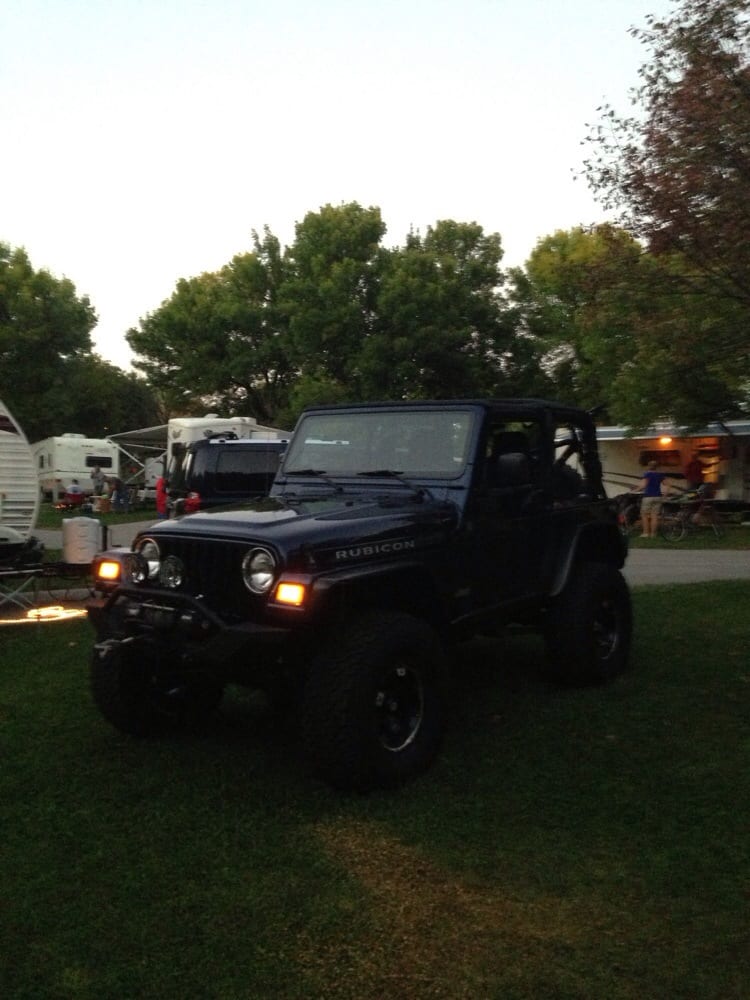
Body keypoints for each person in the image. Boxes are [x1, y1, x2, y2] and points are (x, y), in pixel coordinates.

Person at [631, 460, 677, 538]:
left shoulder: (647, 474)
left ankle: (645, 533)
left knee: (644, 515)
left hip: (648, 496)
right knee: (654, 516)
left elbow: (644, 485)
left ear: (648, 466)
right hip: (658, 496)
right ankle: (653, 534)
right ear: (657, 467)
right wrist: (665, 494)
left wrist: (634, 490)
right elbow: (668, 484)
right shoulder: (660, 475)